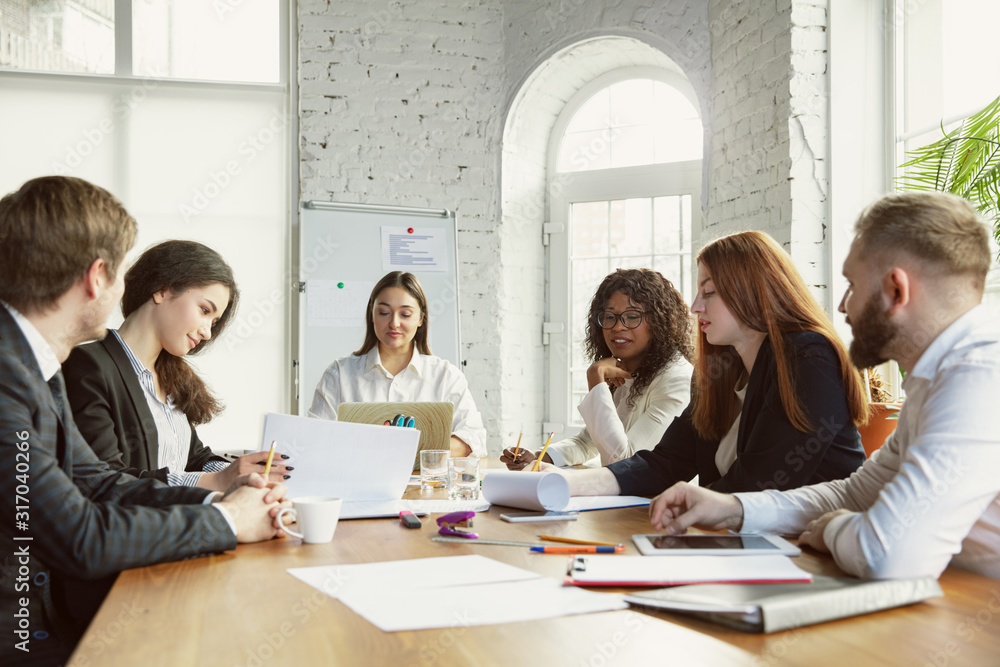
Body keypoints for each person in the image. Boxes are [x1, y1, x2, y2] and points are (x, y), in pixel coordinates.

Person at [0, 176, 288, 665]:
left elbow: (97, 481)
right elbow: (79, 536)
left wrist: (223, 498)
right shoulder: (10, 376)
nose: (121, 292)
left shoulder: (36, 369)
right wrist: (225, 520)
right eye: (119, 276)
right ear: (97, 277)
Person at [648, 192, 1000, 581]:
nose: (843, 306)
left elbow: (884, 554)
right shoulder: (938, 377)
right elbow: (853, 494)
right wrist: (732, 508)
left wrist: (832, 528)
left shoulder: (979, 376)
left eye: (852, 284)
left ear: (897, 290)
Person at [533, 230, 868, 498]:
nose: (695, 306)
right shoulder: (716, 376)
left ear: (753, 292)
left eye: (709, 292)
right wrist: (565, 482)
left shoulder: (809, 358)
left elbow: (761, 486)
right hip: (740, 544)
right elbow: (664, 464)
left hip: (809, 552)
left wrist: (687, 505)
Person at [62, 240, 291, 491]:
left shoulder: (170, 376)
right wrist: (217, 481)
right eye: (205, 310)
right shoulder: (87, 365)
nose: (207, 333)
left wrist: (238, 475)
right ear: (161, 289)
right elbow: (104, 481)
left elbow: (194, 459)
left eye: (214, 322)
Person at [500, 268, 693, 468]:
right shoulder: (628, 371)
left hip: (655, 498)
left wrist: (595, 377)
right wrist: (539, 457)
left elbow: (625, 463)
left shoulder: (676, 380)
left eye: (633, 316)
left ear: (659, 321)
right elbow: (587, 442)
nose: (618, 327)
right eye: (610, 316)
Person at [309, 271, 486, 457]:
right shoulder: (339, 374)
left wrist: (410, 449)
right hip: (358, 483)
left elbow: (473, 439)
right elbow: (314, 438)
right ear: (372, 314)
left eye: (405, 314)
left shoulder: (445, 375)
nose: (394, 323)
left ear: (420, 319)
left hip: (426, 484)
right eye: (384, 312)